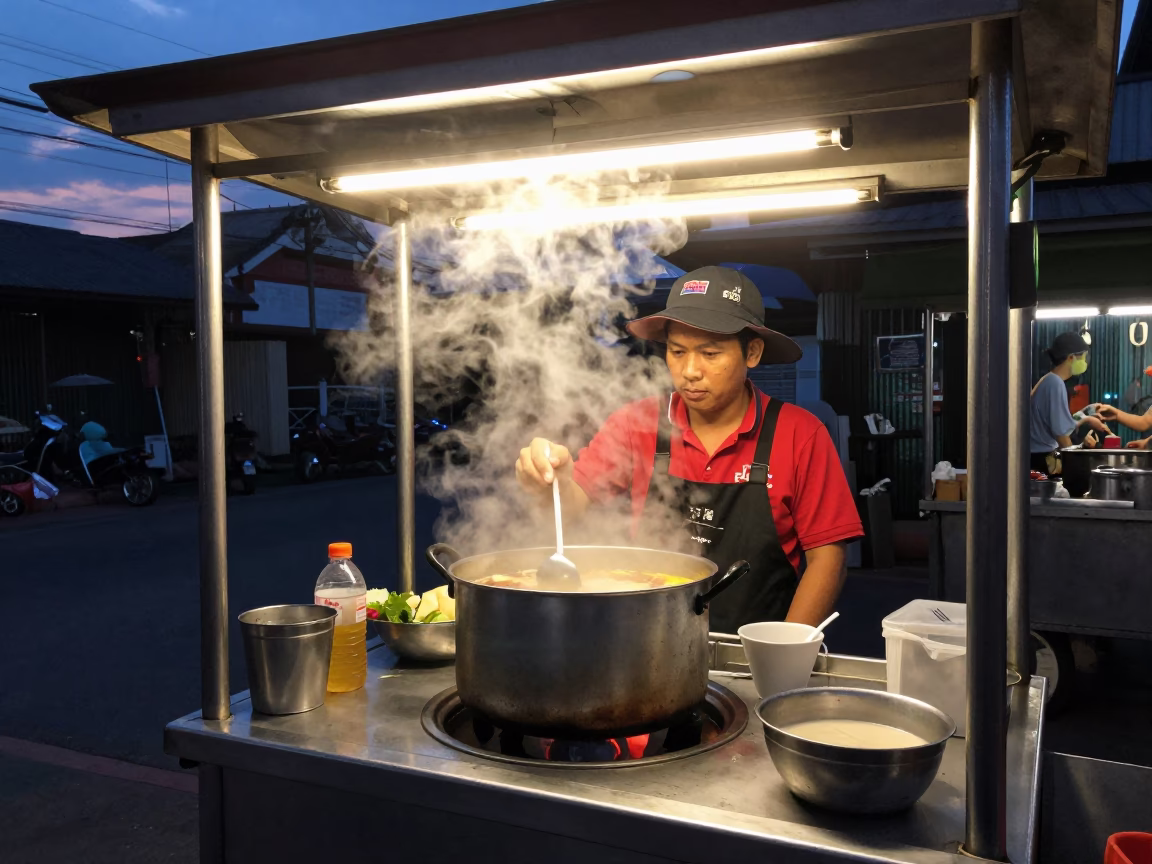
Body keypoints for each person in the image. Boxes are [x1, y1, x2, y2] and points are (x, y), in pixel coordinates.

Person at [514, 266, 863, 632]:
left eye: (710, 354)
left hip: (754, 650)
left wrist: (786, 648)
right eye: (677, 351)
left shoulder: (799, 434)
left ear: (753, 352)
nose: (690, 371)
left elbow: (828, 558)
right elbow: (570, 506)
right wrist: (548, 482)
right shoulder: (637, 423)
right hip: (646, 642)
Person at [1029, 331, 1111, 474]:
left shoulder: (1050, 380)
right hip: (1042, 459)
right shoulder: (1055, 384)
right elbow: (1061, 433)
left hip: (1038, 456)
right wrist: (1073, 461)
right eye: (1083, 357)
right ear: (1071, 358)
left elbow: (1061, 423)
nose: (1085, 362)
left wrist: (1088, 412)